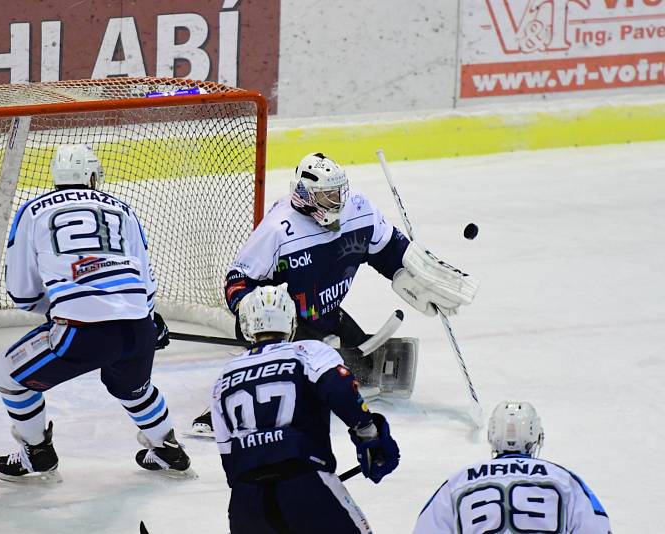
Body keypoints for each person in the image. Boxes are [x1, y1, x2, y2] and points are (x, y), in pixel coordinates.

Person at [193, 152, 479, 433]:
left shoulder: (358, 208)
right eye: (329, 195)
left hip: (326, 315)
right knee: (301, 387)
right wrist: (253, 311)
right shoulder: (277, 230)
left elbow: (390, 249)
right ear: (305, 195)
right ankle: (237, 395)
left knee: (371, 375)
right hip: (283, 330)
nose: (338, 201)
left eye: (339, 191)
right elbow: (237, 281)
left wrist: (418, 275)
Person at [0, 144, 190, 482]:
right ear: (93, 175)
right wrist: (149, 317)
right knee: (134, 388)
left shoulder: (33, 211)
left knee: (8, 373)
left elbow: (22, 291)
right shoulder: (122, 209)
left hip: (79, 329)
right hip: (137, 324)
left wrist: (58, 308)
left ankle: (36, 454)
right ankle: (168, 450)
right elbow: (145, 275)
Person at [210, 284, 400, 533]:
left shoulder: (224, 376)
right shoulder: (308, 351)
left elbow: (228, 454)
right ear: (290, 321)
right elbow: (339, 388)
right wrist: (369, 435)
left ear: (247, 324)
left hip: (246, 502)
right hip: (304, 482)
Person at [413, 401, 612, 533]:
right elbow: (596, 526)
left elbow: (427, 528)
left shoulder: (458, 483)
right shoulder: (564, 480)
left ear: (492, 436)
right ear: (535, 437)